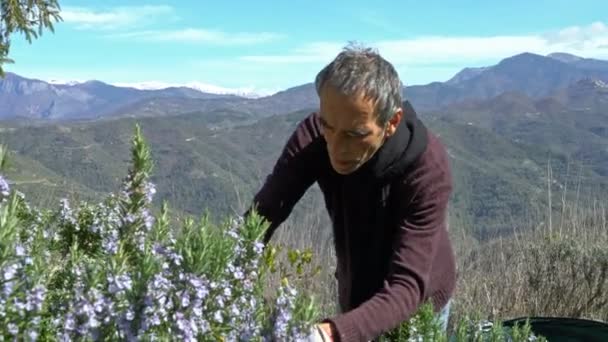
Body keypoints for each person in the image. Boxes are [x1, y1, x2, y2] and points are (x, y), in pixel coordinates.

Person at [246, 43, 457, 342]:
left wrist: (329, 334)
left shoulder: (427, 169)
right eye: (328, 126)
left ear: (391, 123)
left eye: (355, 134)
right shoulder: (314, 137)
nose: (336, 147)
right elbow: (265, 211)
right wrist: (218, 271)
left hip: (420, 305)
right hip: (356, 288)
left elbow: (407, 285)